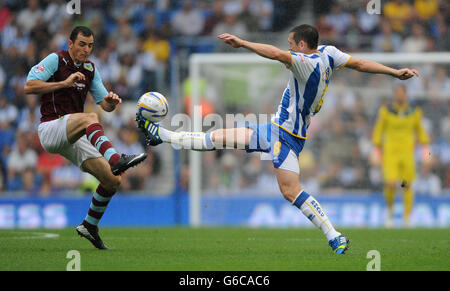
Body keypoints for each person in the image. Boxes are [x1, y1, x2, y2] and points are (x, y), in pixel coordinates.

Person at [136, 25, 419, 254]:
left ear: (301, 46)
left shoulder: (305, 63)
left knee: (290, 191)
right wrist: (394, 72)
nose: (288, 48)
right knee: (218, 137)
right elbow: (359, 63)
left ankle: (334, 234)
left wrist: (243, 43)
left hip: (286, 137)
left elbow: (275, 54)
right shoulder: (329, 54)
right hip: (273, 128)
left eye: (291, 44)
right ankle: (161, 134)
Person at [24, 26, 147, 249]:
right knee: (89, 117)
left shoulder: (90, 69)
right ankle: (116, 159)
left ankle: (89, 225)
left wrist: (111, 101)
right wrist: (64, 83)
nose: (86, 49)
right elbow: (29, 86)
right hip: (51, 128)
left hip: (73, 132)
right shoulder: (56, 60)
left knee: (113, 180)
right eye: (82, 44)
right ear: (70, 43)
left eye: (90, 45)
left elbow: (105, 106)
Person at [372, 85, 430, 228]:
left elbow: (421, 131)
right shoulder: (386, 111)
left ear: (405, 94)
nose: (399, 95)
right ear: (394, 95)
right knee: (391, 183)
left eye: (401, 93)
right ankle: (390, 213)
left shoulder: (414, 112)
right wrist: (376, 149)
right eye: (397, 93)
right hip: (390, 154)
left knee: (406, 185)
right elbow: (378, 131)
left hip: (407, 155)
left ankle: (407, 217)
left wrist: (426, 149)